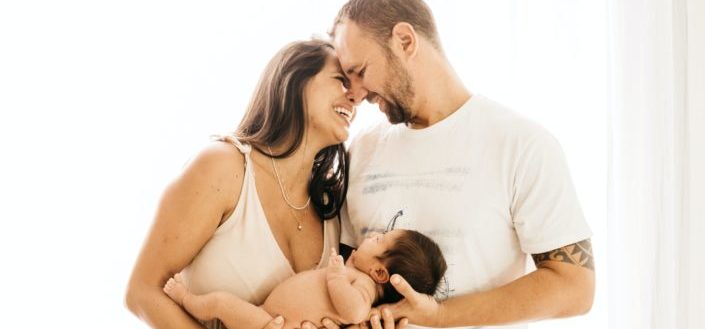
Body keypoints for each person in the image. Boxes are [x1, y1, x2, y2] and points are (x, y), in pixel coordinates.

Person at [328, 0, 596, 328]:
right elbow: (344, 270)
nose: (355, 94)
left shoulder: (522, 144)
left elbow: (574, 286)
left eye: (360, 72)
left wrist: (441, 316)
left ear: (405, 41)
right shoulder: (362, 148)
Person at [125, 39, 358, 329]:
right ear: (295, 81)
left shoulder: (333, 208)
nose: (355, 97)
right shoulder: (222, 167)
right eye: (341, 81)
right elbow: (142, 291)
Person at [162, 229, 447, 329]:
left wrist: (336, 275)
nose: (372, 236)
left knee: (221, 304)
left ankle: (185, 298)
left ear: (380, 273)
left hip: (270, 323)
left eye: (380, 239)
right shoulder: (357, 273)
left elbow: (355, 310)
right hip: (269, 318)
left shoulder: (363, 289)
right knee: (222, 305)